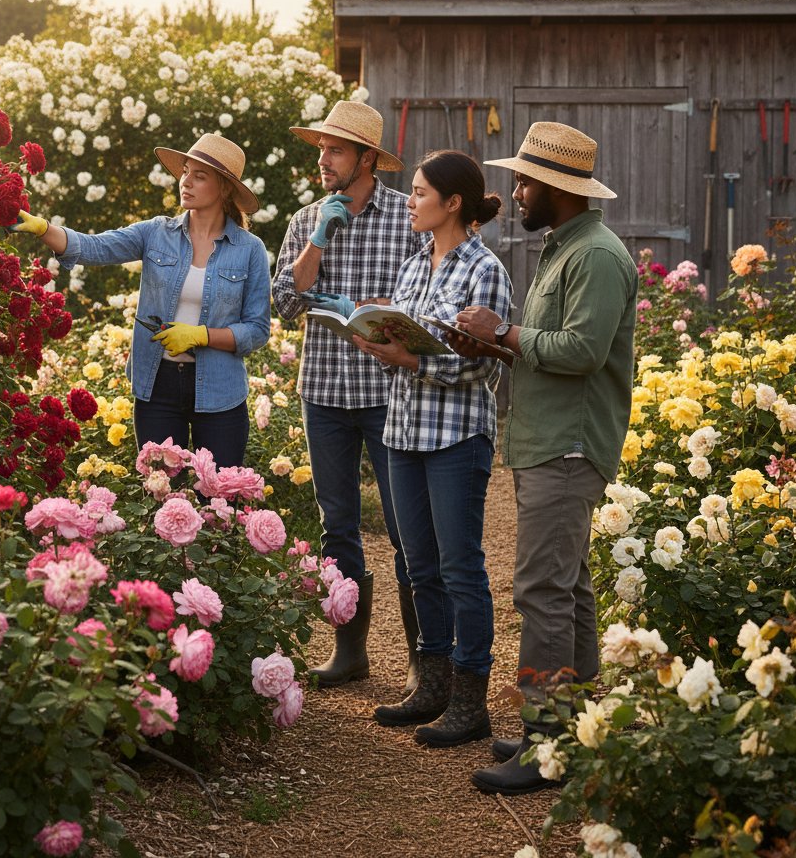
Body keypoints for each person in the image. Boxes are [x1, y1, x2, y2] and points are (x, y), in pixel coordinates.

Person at [450, 121, 638, 795]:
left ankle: (547, 742)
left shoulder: (596, 255)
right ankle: (576, 729)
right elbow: (551, 346)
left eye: (525, 182)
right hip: (550, 440)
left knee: (540, 593)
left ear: (558, 188)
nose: (517, 192)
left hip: (569, 444)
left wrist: (503, 329)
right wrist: (496, 346)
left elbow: (583, 350)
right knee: (569, 589)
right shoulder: (568, 248)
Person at [353, 150, 512, 748]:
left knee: (460, 568)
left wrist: (414, 359)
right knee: (419, 566)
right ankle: (433, 684)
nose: (411, 200)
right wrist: (380, 339)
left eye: (421, 193)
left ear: (452, 204)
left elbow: (483, 365)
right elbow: (403, 333)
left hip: (455, 437)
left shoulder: (485, 269)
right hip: (403, 432)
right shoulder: (414, 264)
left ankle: (472, 701)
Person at [273, 100, 424, 692]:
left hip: (391, 392)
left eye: (335, 150)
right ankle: (350, 651)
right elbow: (287, 304)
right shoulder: (307, 219)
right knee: (338, 526)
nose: (323, 159)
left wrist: (369, 315)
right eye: (320, 148)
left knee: (407, 526)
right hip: (326, 392)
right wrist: (319, 237)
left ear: (367, 159)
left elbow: (420, 304)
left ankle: (421, 659)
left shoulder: (405, 217)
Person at [10, 133, 271, 469]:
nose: (185, 181)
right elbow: (96, 247)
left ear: (224, 189)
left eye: (199, 176)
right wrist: (44, 228)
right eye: (185, 171)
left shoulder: (249, 250)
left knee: (220, 496)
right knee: (159, 495)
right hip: (157, 385)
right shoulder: (156, 233)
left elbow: (257, 330)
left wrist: (201, 335)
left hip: (221, 392)